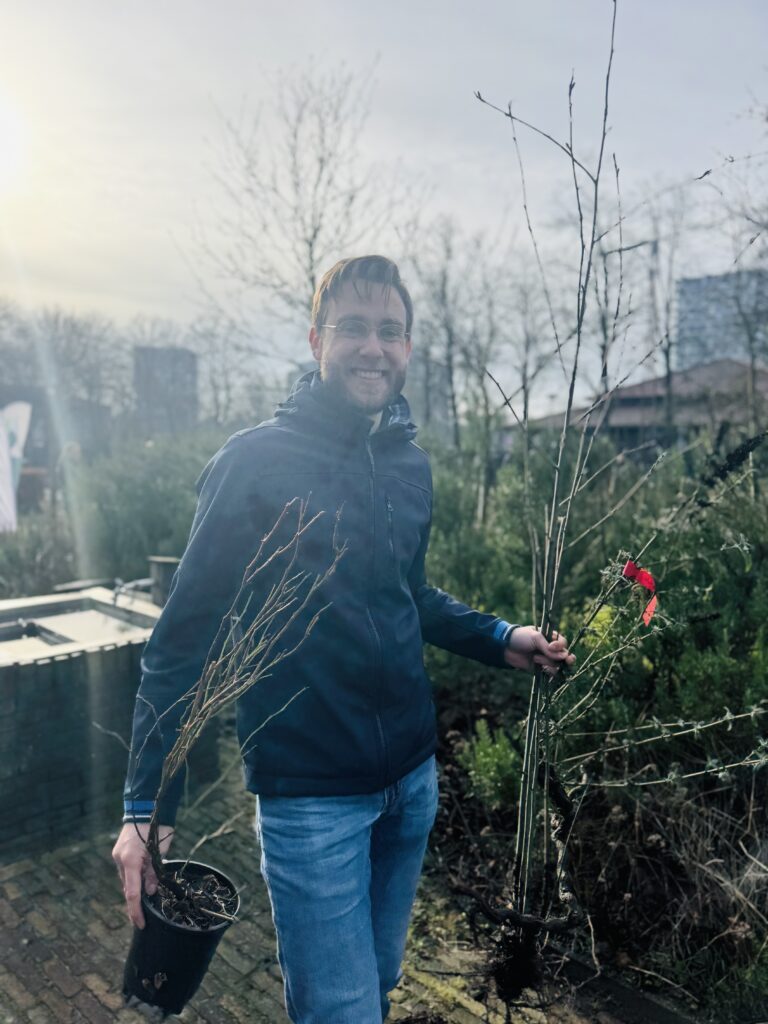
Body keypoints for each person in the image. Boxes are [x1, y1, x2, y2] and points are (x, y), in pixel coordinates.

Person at [112, 255, 574, 1023]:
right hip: (311, 798)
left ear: (409, 349)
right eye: (353, 327)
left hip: (410, 784)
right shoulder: (252, 463)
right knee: (341, 1011)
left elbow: (408, 594)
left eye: (390, 331)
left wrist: (501, 637)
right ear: (316, 339)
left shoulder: (409, 465)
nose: (373, 346)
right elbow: (182, 639)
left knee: (382, 978)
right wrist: (143, 801)